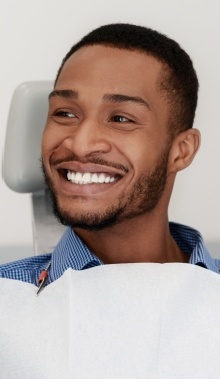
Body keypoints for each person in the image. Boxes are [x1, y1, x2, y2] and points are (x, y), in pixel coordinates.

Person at [1, 23, 219, 288]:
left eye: (120, 119)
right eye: (65, 114)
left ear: (181, 151)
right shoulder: (8, 297)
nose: (80, 145)